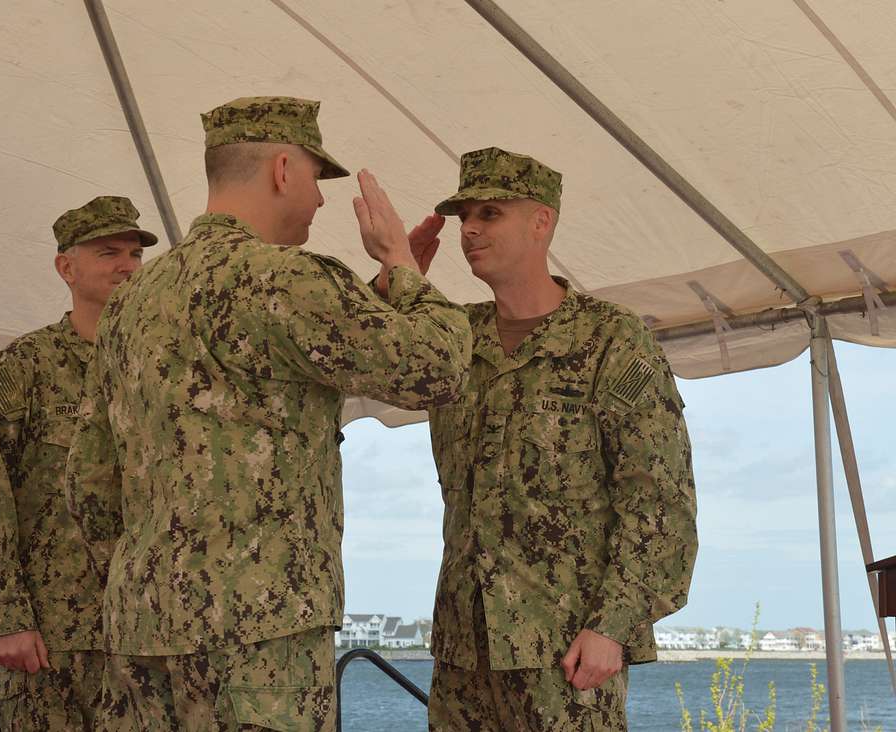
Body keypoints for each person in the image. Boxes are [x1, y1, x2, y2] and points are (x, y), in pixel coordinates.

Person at [65, 96, 472, 731]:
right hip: (261, 639)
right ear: (283, 169)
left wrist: (146, 580)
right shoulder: (282, 278)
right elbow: (437, 367)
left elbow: (88, 479)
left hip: (143, 633)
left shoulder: (132, 302)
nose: (320, 200)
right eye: (315, 178)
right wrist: (401, 265)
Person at [421, 147, 698, 731]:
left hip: (564, 651)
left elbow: (658, 500)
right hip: (464, 655)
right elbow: (353, 366)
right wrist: (398, 282)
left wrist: (613, 626)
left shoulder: (609, 339)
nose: (469, 228)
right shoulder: (453, 339)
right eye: (464, 215)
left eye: (490, 213)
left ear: (540, 221)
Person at [0, 196, 157, 730]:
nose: (127, 265)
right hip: (52, 647)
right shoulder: (26, 367)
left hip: (153, 641)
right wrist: (4, 619)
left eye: (134, 253)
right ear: (67, 267)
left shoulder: (162, 370)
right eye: (109, 252)